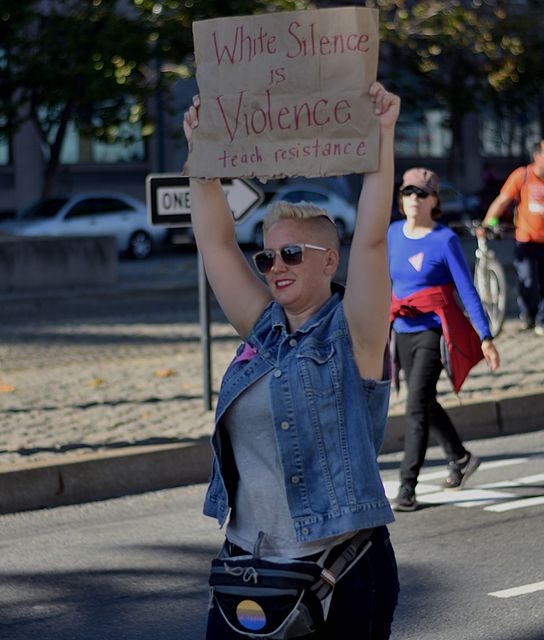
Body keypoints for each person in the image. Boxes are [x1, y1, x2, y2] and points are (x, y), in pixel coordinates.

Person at [183, 82, 402, 638]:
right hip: (250, 559)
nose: (273, 265)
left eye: (290, 253)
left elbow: (373, 241)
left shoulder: (354, 335)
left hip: (339, 567)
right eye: (267, 255)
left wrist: (382, 133)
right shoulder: (264, 330)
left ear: (328, 260)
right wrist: (201, 158)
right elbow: (214, 244)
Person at [388, 167, 500, 512]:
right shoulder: (393, 233)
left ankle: (408, 485)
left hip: (433, 332)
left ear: (435, 200)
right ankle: (461, 458)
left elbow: (467, 291)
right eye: (408, 193)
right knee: (424, 401)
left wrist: (485, 335)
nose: (413, 200)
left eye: (422, 194)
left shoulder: (444, 240)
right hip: (401, 330)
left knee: (416, 406)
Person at [482, 139, 544, 335]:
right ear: (537, 156)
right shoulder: (521, 176)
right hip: (525, 239)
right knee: (527, 280)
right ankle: (529, 315)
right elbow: (503, 200)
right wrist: (487, 223)